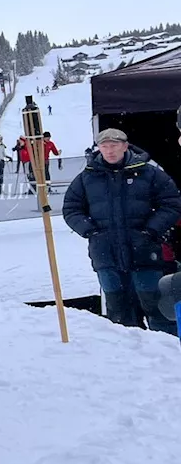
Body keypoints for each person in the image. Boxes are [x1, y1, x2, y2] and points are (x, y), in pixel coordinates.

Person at [61, 128, 181, 335]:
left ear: (125, 146)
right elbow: (71, 209)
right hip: (105, 255)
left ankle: (165, 352)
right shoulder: (86, 178)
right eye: (104, 146)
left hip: (145, 252)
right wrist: (91, 232)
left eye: (114, 145)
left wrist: (151, 231)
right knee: (118, 310)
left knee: (155, 306)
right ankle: (126, 356)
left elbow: (171, 203)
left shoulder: (149, 172)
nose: (109, 151)